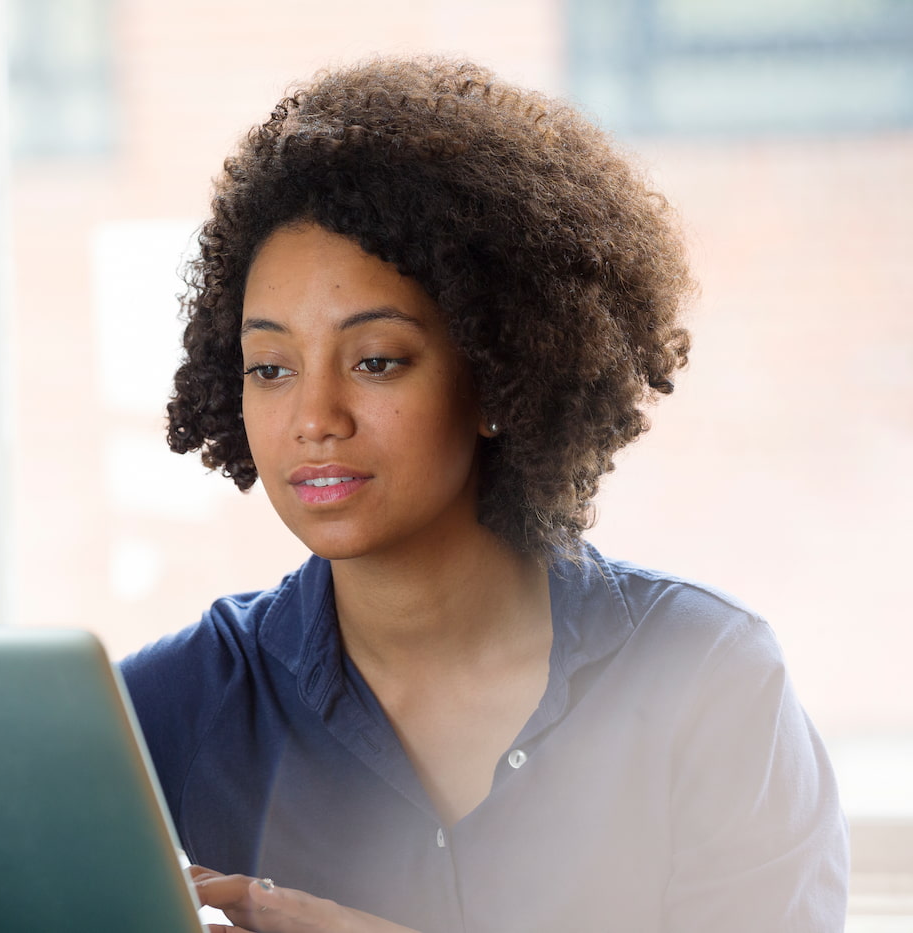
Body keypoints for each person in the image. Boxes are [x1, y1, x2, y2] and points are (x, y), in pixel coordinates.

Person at [118, 56, 848, 932]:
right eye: (270, 367)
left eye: (376, 360)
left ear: (501, 376)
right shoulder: (165, 710)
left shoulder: (704, 679)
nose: (314, 416)